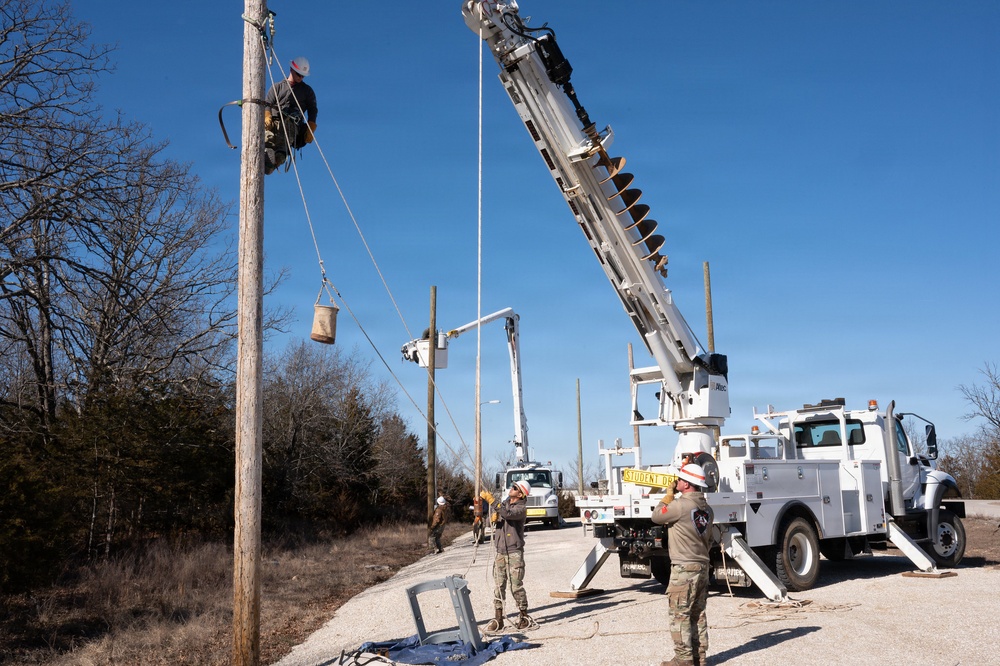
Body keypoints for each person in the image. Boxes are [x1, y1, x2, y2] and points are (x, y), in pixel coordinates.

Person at [651, 462, 714, 666]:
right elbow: (710, 539)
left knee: (679, 614)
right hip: (702, 566)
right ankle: (699, 658)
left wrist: (668, 496)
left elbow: (657, 516)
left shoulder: (680, 505)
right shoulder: (707, 509)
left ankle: (683, 660)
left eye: (679, 479)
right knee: (698, 614)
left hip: (684, 569)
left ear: (687, 484)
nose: (676, 481)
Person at [480, 480, 531, 632]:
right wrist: (492, 519)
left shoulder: (521, 508)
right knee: (498, 586)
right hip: (500, 551)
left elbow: (507, 514)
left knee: (516, 586)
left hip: (514, 552)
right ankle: (498, 619)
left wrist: (492, 501)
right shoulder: (504, 504)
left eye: (515, 488)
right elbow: (495, 520)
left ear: (520, 494)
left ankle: (523, 616)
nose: (511, 489)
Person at [264, 56, 318, 175]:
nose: (300, 77)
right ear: (291, 69)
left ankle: (275, 161)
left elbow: (313, 109)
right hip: (274, 122)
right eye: (298, 74)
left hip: (292, 125)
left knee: (282, 149)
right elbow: (268, 103)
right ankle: (266, 157)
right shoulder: (277, 87)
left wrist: (311, 125)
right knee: (268, 140)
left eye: (302, 76)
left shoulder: (307, 91)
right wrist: (267, 115)